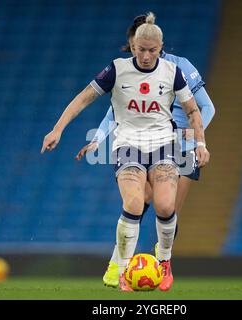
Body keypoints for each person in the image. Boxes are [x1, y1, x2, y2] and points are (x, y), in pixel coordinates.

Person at [41, 12, 210, 291]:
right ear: (133, 47)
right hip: (128, 145)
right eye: (140, 50)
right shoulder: (116, 70)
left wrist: (200, 144)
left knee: (166, 206)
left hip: (163, 144)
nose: (145, 56)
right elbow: (84, 97)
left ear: (161, 48)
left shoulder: (172, 72)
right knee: (133, 204)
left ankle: (164, 263)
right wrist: (57, 129)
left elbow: (193, 110)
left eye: (152, 51)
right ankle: (122, 270)